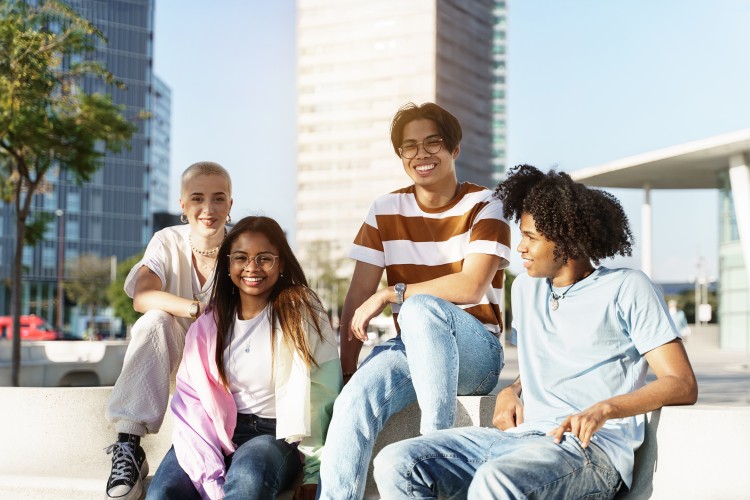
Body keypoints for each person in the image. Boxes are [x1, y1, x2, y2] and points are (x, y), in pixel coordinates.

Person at [373, 165, 698, 499]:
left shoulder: (628, 287)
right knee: (397, 461)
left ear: (566, 238)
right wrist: (513, 389)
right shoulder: (526, 290)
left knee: (494, 481)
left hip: (588, 451)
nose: (520, 248)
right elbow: (553, 359)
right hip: (520, 441)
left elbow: (682, 383)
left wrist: (606, 408)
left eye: (530, 237)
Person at [318, 102, 511, 499]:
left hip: (476, 353)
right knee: (352, 404)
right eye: (409, 147)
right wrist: (349, 370)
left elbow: (472, 286)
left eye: (432, 143)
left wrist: (393, 293)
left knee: (420, 307)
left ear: (454, 149)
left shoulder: (487, 204)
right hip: (410, 347)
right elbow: (357, 296)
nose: (421, 155)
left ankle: (433, 452)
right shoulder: (385, 209)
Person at [146, 216, 342, 500]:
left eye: (264, 258)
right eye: (241, 258)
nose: (252, 267)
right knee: (162, 492)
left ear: (282, 263)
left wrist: (314, 471)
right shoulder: (210, 322)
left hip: (272, 434)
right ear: (228, 264)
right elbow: (192, 402)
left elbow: (322, 394)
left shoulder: (301, 312)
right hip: (211, 432)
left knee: (247, 481)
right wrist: (210, 477)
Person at [104, 161, 233, 500]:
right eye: (197, 198)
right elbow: (143, 297)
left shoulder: (242, 245)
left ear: (231, 205)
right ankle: (129, 444)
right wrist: (197, 310)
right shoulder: (167, 240)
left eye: (219, 198)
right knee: (155, 320)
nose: (208, 209)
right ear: (182, 206)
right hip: (175, 361)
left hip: (228, 366)